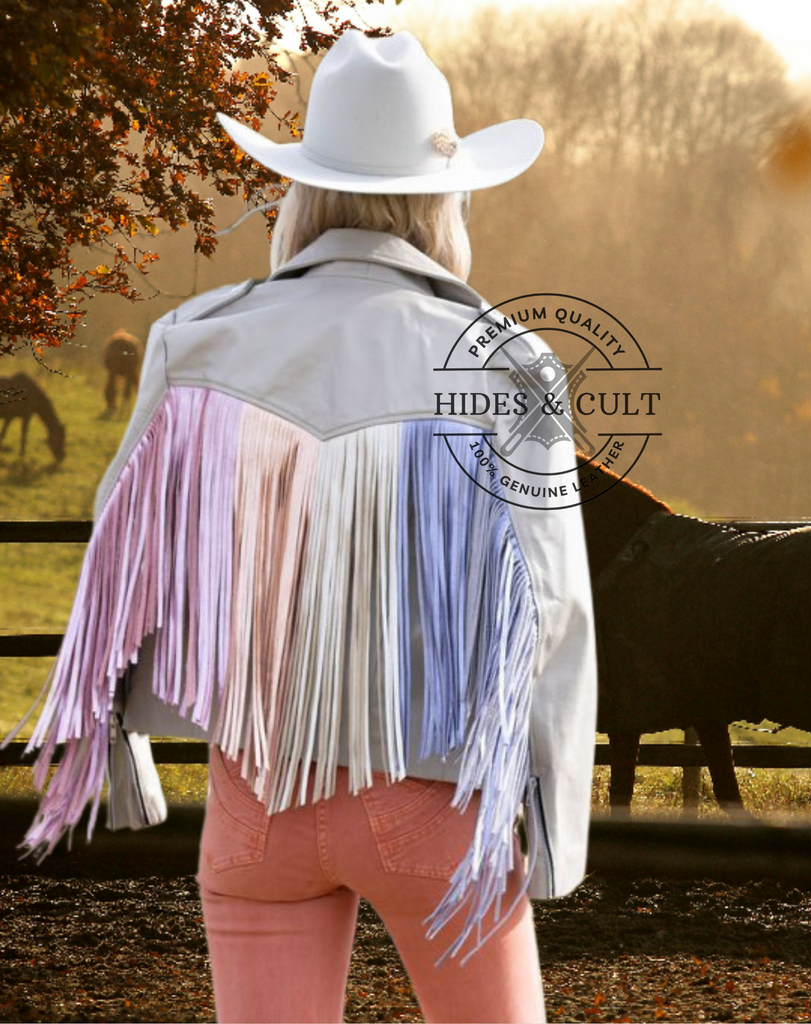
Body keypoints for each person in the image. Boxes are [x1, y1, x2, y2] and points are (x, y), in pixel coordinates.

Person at [8, 30, 596, 1024]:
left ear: (305, 191)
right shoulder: (501, 362)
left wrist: (124, 758)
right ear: (442, 200)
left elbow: (123, 551)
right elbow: (549, 600)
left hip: (254, 797)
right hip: (436, 796)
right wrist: (549, 822)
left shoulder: (197, 339)